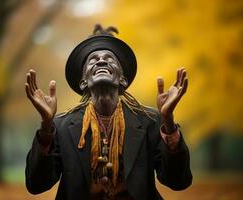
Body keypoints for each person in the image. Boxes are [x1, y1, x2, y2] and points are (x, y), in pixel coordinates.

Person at [25, 24, 192, 200]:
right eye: (93, 59)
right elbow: (36, 185)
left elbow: (179, 182)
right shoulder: (60, 126)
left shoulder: (151, 121)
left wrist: (169, 122)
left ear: (122, 79)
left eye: (109, 58)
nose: (101, 61)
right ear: (83, 82)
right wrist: (45, 126)